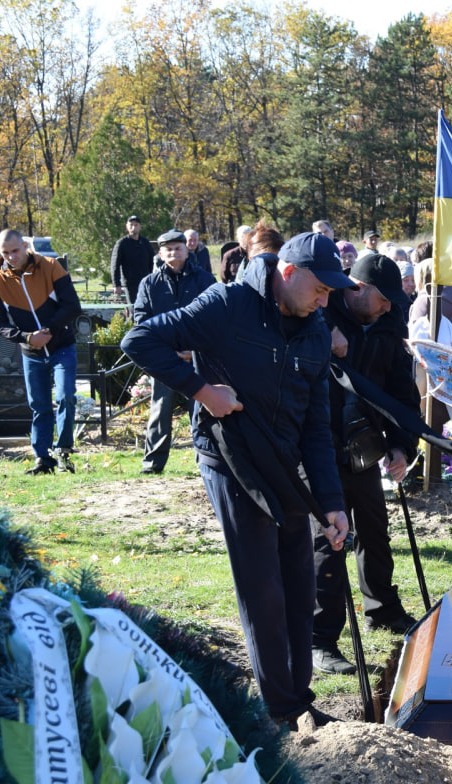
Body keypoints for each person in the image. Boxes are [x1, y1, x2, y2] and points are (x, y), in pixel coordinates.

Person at [121, 231, 352, 728]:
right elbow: (140, 339)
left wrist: (331, 500)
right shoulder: (227, 304)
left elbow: (315, 426)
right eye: (320, 288)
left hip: (283, 461)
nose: (325, 300)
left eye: (332, 293)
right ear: (288, 273)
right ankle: (283, 709)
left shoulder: (313, 327)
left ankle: (299, 697)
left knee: (298, 577)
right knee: (262, 583)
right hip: (230, 457)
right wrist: (202, 391)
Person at [310, 253, 420, 675]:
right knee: (331, 540)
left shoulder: (389, 327)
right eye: (383, 298)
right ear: (358, 289)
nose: (390, 306)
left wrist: (402, 447)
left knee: (375, 529)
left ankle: (382, 608)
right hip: (320, 446)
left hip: (365, 447)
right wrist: (324, 341)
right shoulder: (320, 314)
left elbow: (401, 392)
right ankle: (320, 638)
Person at [0, 228, 82, 475]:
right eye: (5, 252)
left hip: (61, 346)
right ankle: (43, 459)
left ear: (26, 247)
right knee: (39, 405)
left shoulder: (50, 266)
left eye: (15, 250)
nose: (11, 256)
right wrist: (28, 338)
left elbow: (72, 305)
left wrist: (48, 330)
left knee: (65, 397)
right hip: (31, 352)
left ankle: (63, 453)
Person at [132, 229, 215, 475]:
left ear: (187, 250)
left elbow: (215, 316)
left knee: (201, 409)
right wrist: (164, 350)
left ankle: (206, 459)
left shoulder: (204, 280)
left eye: (178, 248)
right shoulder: (149, 283)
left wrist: (196, 349)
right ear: (160, 253)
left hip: (197, 357)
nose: (173, 253)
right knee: (160, 408)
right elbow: (141, 319)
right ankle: (153, 463)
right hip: (165, 358)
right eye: (168, 249)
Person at [111, 214, 156, 304]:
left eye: (136, 225)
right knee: (134, 308)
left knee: (147, 307)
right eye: (131, 225)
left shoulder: (145, 242)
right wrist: (116, 284)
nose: (133, 227)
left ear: (140, 227)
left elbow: (153, 262)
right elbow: (114, 265)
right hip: (129, 284)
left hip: (146, 281)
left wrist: (154, 279)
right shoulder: (121, 243)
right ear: (127, 227)